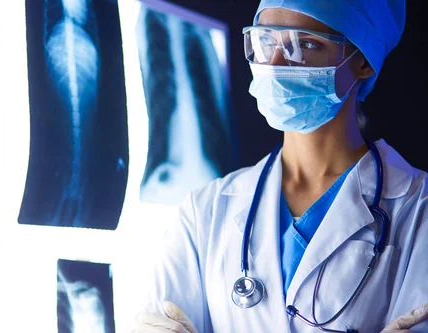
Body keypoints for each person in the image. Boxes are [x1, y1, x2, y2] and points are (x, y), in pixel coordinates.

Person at [134, 0, 428, 332]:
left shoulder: (418, 211)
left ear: (363, 61)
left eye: (306, 45)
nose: (275, 63)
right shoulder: (205, 211)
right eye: (266, 40)